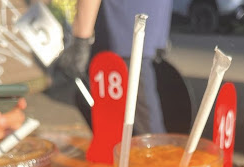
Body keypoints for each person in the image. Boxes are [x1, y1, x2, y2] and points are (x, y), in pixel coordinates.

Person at [56, 0, 173, 134]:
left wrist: (80, 39)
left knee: (144, 131)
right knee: (134, 125)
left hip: (121, 35)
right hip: (145, 31)